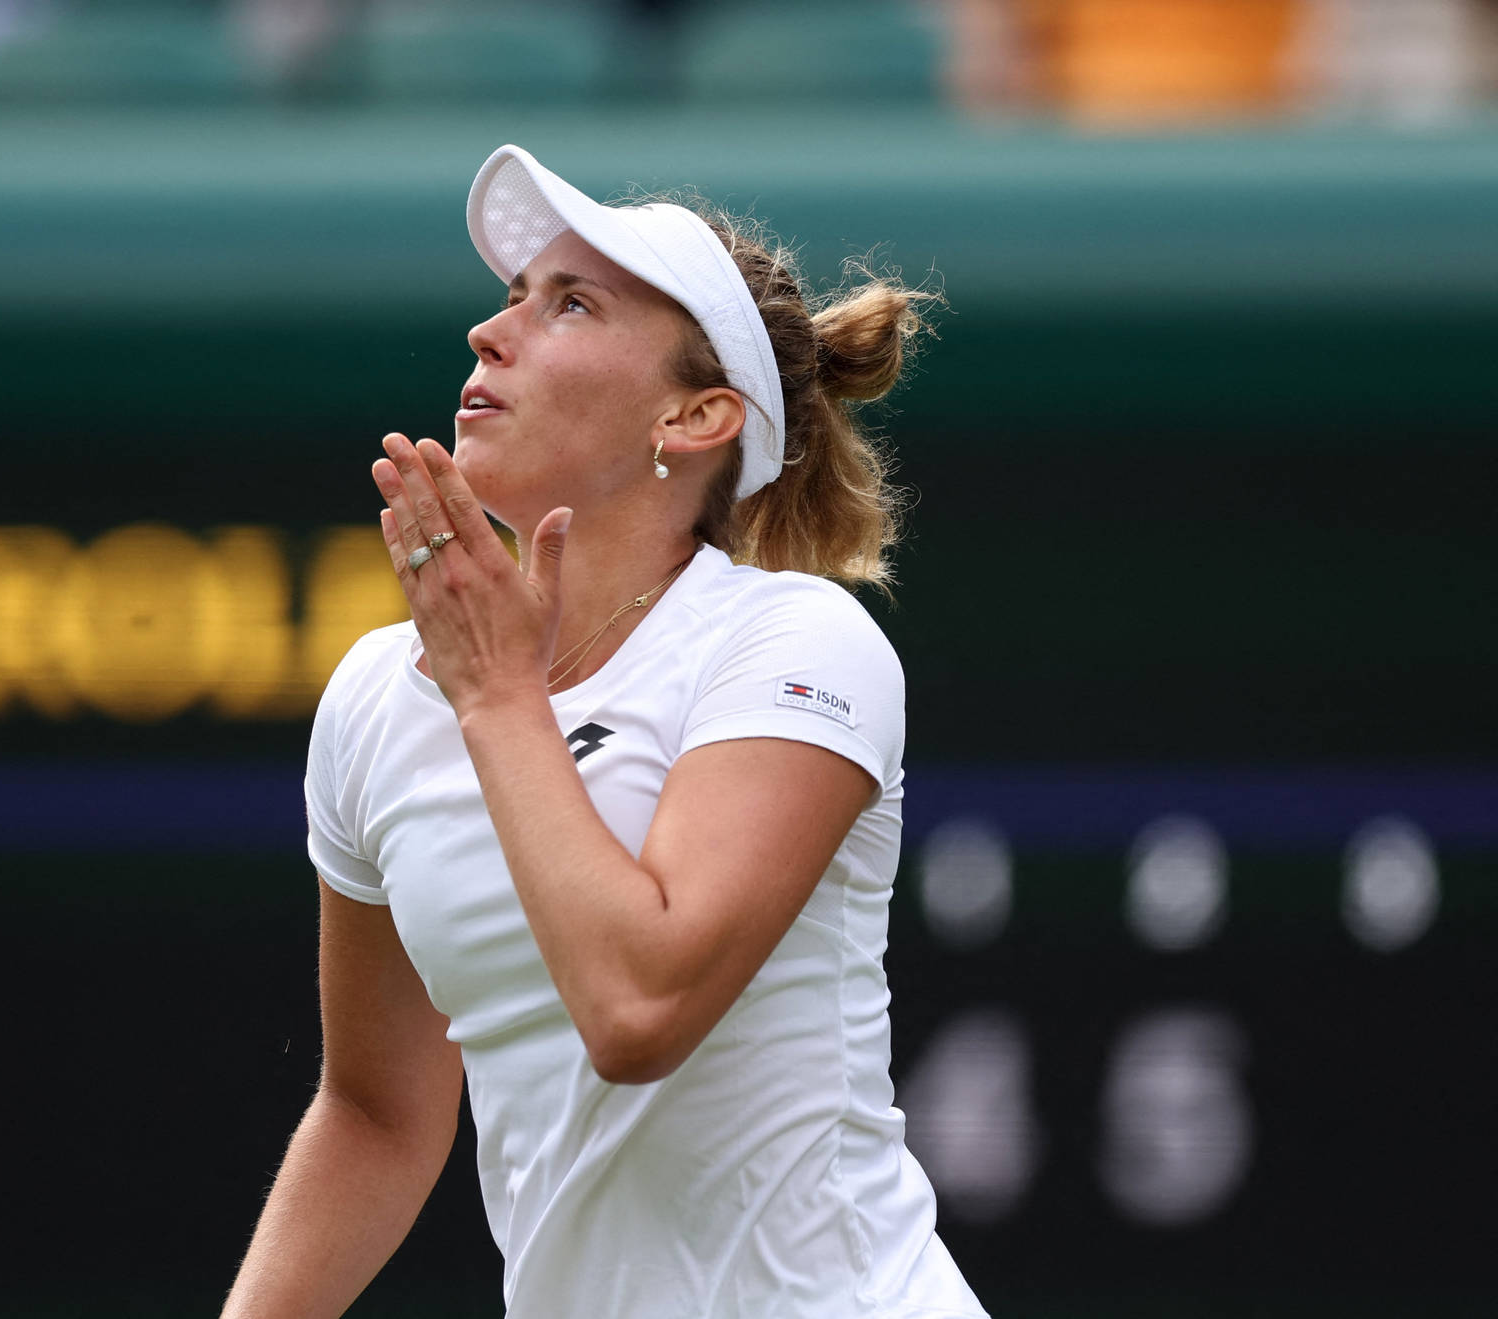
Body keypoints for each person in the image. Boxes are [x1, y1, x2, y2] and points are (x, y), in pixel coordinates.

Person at [221, 144, 984, 1318]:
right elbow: (376, 1110)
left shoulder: (796, 644)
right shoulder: (380, 696)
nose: (492, 331)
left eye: (571, 303)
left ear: (696, 414)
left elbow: (640, 1012)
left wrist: (498, 697)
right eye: (514, 295)